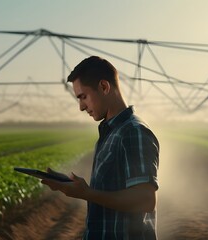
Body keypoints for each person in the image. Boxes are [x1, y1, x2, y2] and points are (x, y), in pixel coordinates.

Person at [41, 56, 160, 240]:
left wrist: (87, 193)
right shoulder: (110, 133)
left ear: (104, 87)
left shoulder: (133, 132)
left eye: (83, 97)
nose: (81, 107)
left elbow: (145, 200)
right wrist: (80, 189)